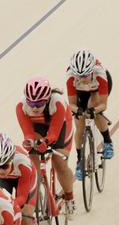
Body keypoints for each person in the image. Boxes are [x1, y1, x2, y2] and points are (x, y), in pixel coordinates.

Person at [15, 76, 76, 217]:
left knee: (59, 162)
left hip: (60, 125)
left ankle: (69, 198)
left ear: (47, 99)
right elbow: (28, 134)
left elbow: (54, 134)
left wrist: (46, 142)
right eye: (31, 103)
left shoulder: (57, 102)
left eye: (39, 104)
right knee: (33, 167)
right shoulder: (21, 106)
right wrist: (29, 142)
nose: (35, 108)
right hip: (38, 127)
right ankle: (34, 204)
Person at [66, 49, 114, 181]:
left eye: (85, 75)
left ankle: (108, 141)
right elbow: (71, 104)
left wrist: (93, 111)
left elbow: (103, 105)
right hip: (80, 91)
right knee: (79, 124)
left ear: (91, 71)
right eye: (79, 76)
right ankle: (79, 160)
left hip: (97, 89)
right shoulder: (71, 77)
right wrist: (78, 111)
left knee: (95, 109)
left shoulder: (100, 74)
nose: (82, 78)